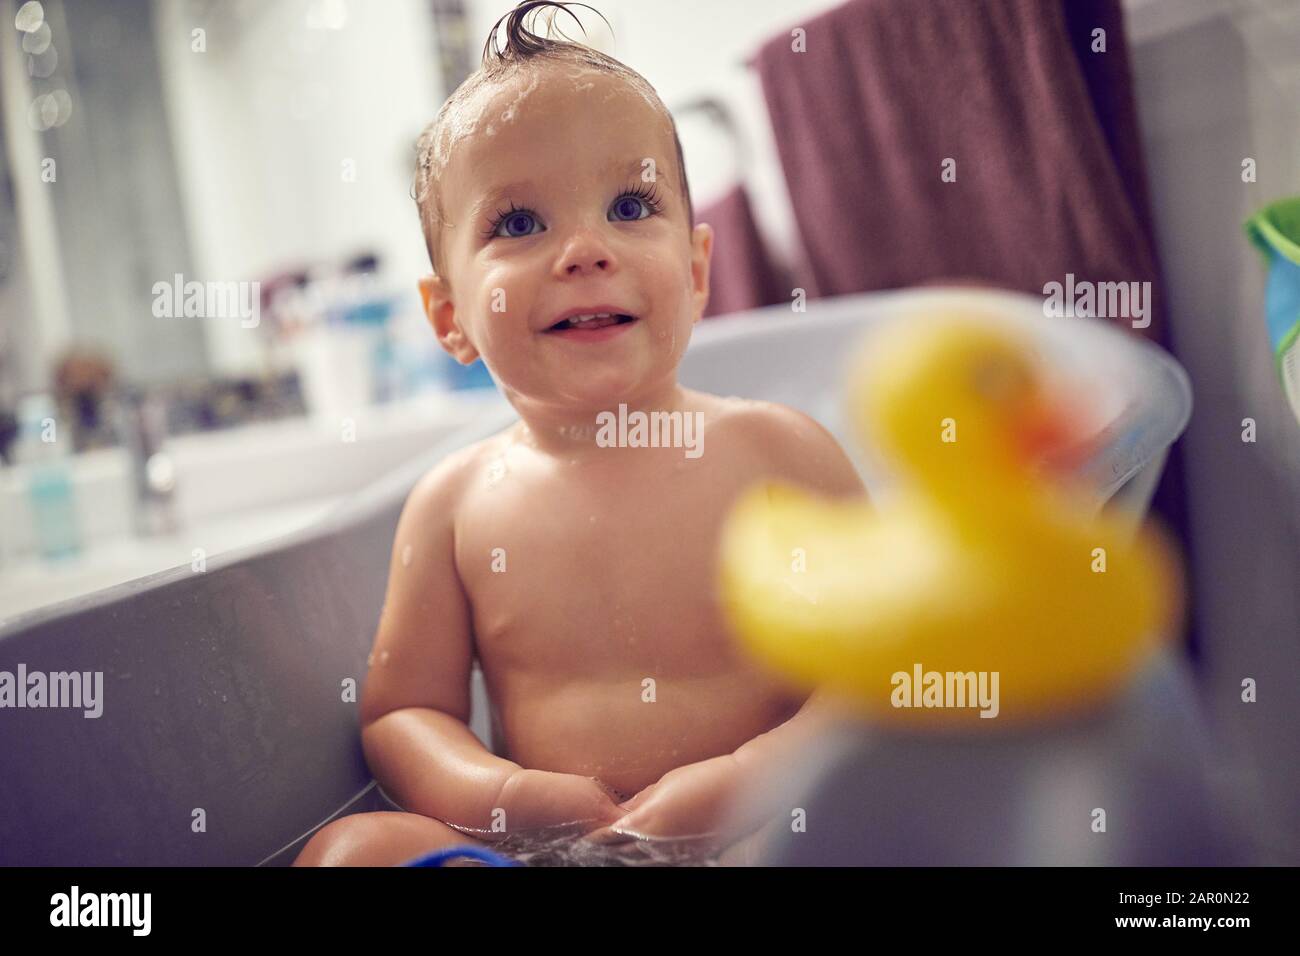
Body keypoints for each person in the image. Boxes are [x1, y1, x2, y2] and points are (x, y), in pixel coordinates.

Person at [294, 1, 864, 867]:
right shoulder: (452, 507)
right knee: (351, 850)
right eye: (519, 224)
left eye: (631, 204)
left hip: (772, 835)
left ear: (698, 268)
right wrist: (502, 797)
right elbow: (404, 718)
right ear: (449, 317)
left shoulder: (779, 455)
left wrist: (748, 776)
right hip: (558, 855)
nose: (586, 249)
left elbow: (879, 673)